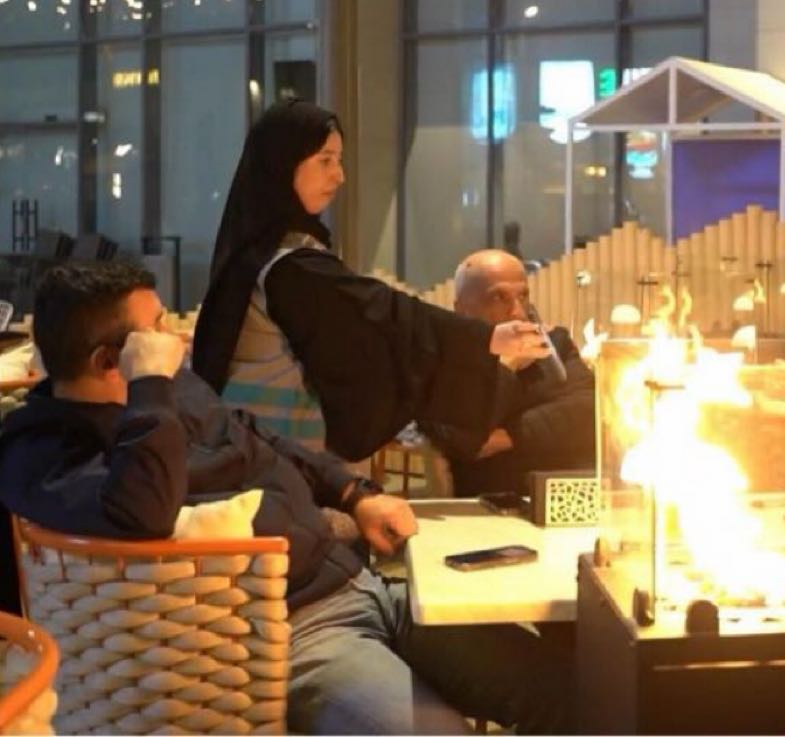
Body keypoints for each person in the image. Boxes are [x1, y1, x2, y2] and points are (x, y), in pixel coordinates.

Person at [0, 262, 574, 734]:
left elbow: (259, 438)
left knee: (573, 689)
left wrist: (354, 493)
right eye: (155, 331)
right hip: (294, 633)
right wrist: (148, 387)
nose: (172, 341)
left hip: (365, 584)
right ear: (111, 361)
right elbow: (140, 511)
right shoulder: (43, 452)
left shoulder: (179, 388)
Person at [191, 100, 546, 463]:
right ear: (283, 164)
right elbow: (383, 314)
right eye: (325, 160)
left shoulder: (258, 250)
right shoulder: (289, 266)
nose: (339, 176)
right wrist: (486, 339)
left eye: (339, 160)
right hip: (277, 462)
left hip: (252, 449)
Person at [420, 249, 594, 497]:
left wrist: (509, 436)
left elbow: (589, 409)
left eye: (523, 296)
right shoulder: (441, 362)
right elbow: (465, 442)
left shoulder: (556, 342)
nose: (518, 313)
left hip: (572, 494)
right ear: (462, 309)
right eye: (498, 297)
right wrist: (505, 367)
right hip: (492, 501)